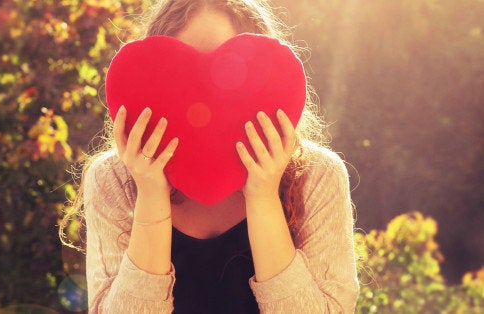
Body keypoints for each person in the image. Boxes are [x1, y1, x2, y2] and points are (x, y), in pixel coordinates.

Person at [61, 0, 360, 312]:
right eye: (182, 77)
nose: (205, 93)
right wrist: (150, 196)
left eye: (228, 71)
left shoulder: (316, 175)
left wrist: (263, 197)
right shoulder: (114, 179)